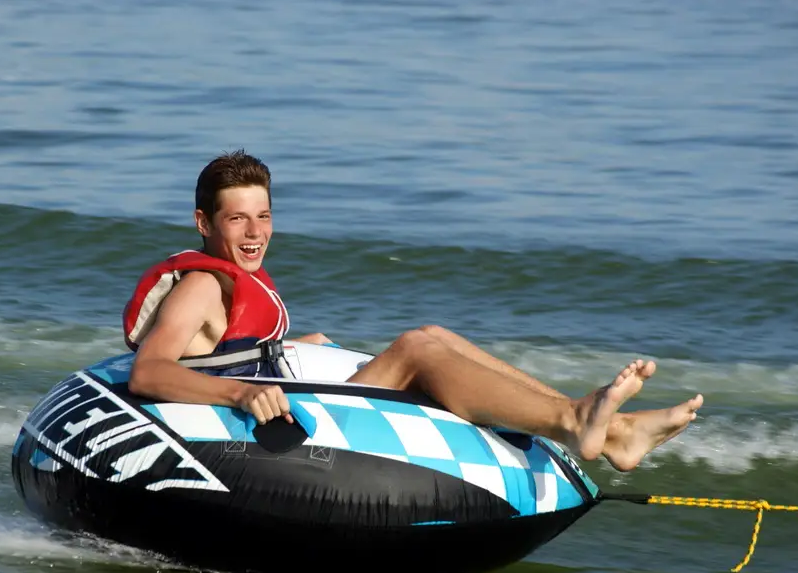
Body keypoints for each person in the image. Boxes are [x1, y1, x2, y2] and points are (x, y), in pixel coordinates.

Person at [125, 150, 703, 472]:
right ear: (203, 223)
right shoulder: (201, 285)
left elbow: (228, 350)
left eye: (264, 216)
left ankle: (611, 428)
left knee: (432, 333)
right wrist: (239, 394)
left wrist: (294, 348)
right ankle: (578, 421)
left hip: (287, 393)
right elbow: (148, 373)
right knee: (416, 349)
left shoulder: (234, 277)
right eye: (237, 219)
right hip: (271, 421)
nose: (255, 233)